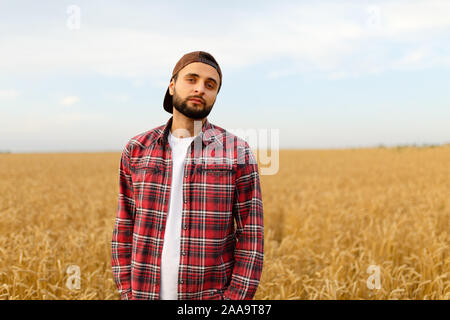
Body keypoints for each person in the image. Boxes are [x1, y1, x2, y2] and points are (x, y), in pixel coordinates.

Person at [111, 51, 264, 300]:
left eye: (210, 85)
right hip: (143, 294)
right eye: (191, 79)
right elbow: (124, 224)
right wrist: (127, 292)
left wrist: (234, 300)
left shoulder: (237, 151)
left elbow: (251, 234)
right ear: (172, 86)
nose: (200, 89)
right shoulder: (137, 148)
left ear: (215, 95)